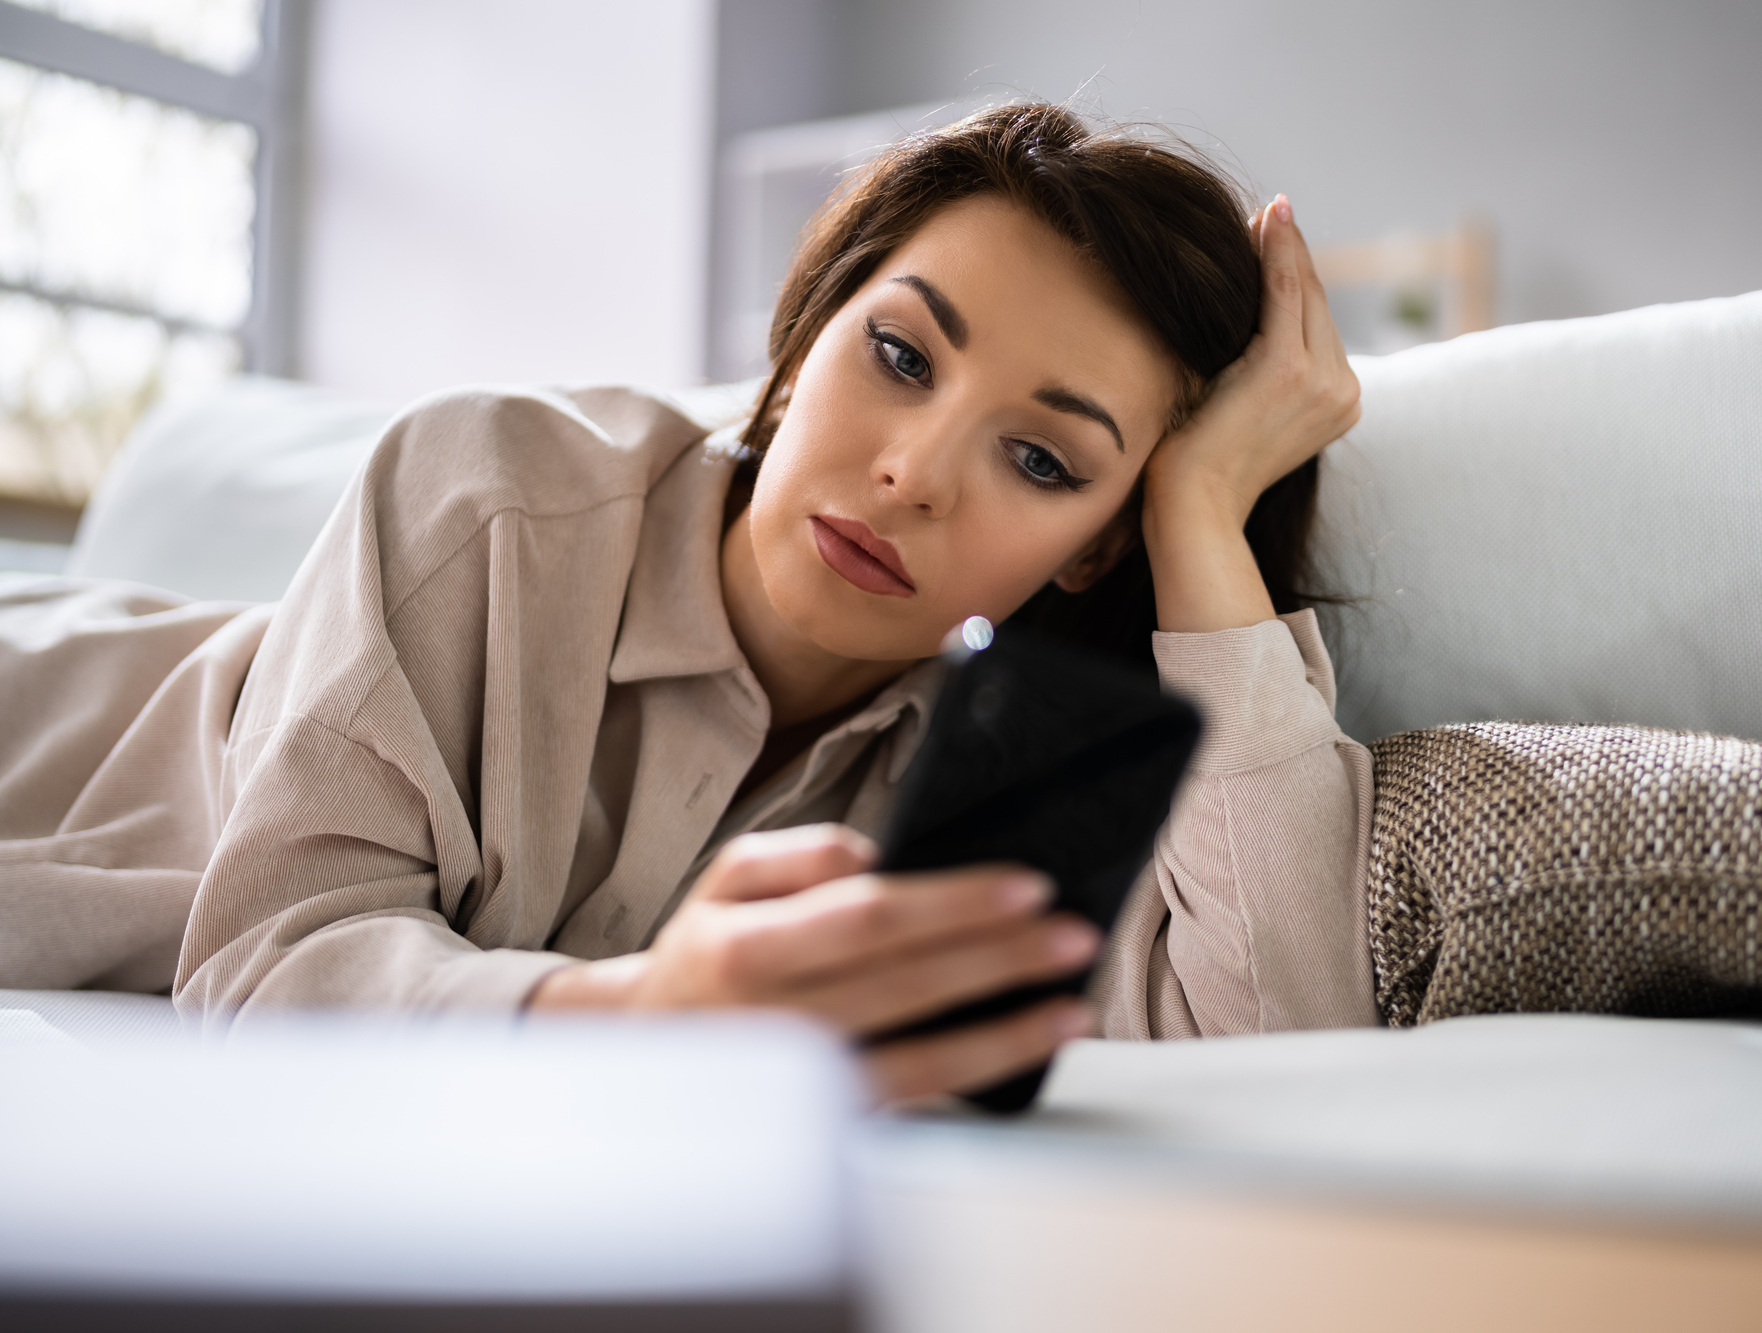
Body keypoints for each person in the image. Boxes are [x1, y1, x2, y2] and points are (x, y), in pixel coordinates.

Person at [0, 103, 1381, 1100]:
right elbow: (263, 968)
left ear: (1097, 542)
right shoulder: (491, 487)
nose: (911, 474)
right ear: (802, 341)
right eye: (899, 353)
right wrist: (639, 1013)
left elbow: (1286, 1036)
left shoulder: (996, 777)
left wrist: (1199, 511)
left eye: (1041, 459)